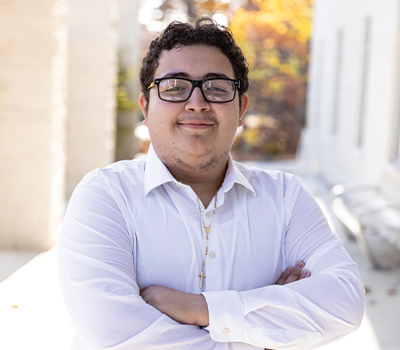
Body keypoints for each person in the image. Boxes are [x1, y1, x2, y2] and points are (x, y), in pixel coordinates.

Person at [58, 17, 364, 350]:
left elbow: (344, 303)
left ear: (241, 107)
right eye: (175, 86)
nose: (197, 102)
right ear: (146, 107)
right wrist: (264, 331)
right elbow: (112, 332)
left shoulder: (286, 198)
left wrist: (199, 308)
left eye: (216, 87)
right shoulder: (105, 197)